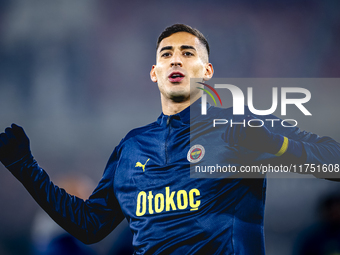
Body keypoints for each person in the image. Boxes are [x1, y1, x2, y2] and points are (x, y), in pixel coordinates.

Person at [0, 24, 339, 255]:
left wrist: (275, 145)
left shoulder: (240, 126)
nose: (175, 58)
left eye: (188, 53)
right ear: (155, 72)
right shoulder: (132, 148)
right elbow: (91, 226)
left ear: (206, 71)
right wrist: (24, 166)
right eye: (166, 54)